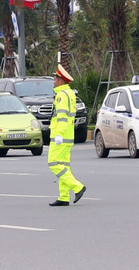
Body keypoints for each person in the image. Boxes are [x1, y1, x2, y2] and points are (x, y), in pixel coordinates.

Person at [47, 64, 86, 206]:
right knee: (64, 165)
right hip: (67, 136)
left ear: (61, 81)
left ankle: (77, 187)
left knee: (53, 163)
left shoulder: (61, 96)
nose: (54, 81)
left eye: (55, 79)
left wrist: (59, 134)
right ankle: (63, 197)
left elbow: (62, 117)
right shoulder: (69, 93)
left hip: (60, 136)